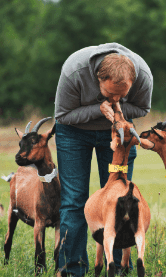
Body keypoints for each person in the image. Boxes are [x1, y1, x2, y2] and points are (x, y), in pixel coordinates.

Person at [54, 42, 153, 276]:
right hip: (73, 133)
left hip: (118, 135)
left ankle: (117, 267)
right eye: (110, 93)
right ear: (98, 78)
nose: (117, 99)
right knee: (74, 200)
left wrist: (118, 110)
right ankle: (72, 269)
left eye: (123, 94)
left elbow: (143, 109)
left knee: (119, 199)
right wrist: (99, 109)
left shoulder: (144, 76)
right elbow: (62, 115)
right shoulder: (74, 70)